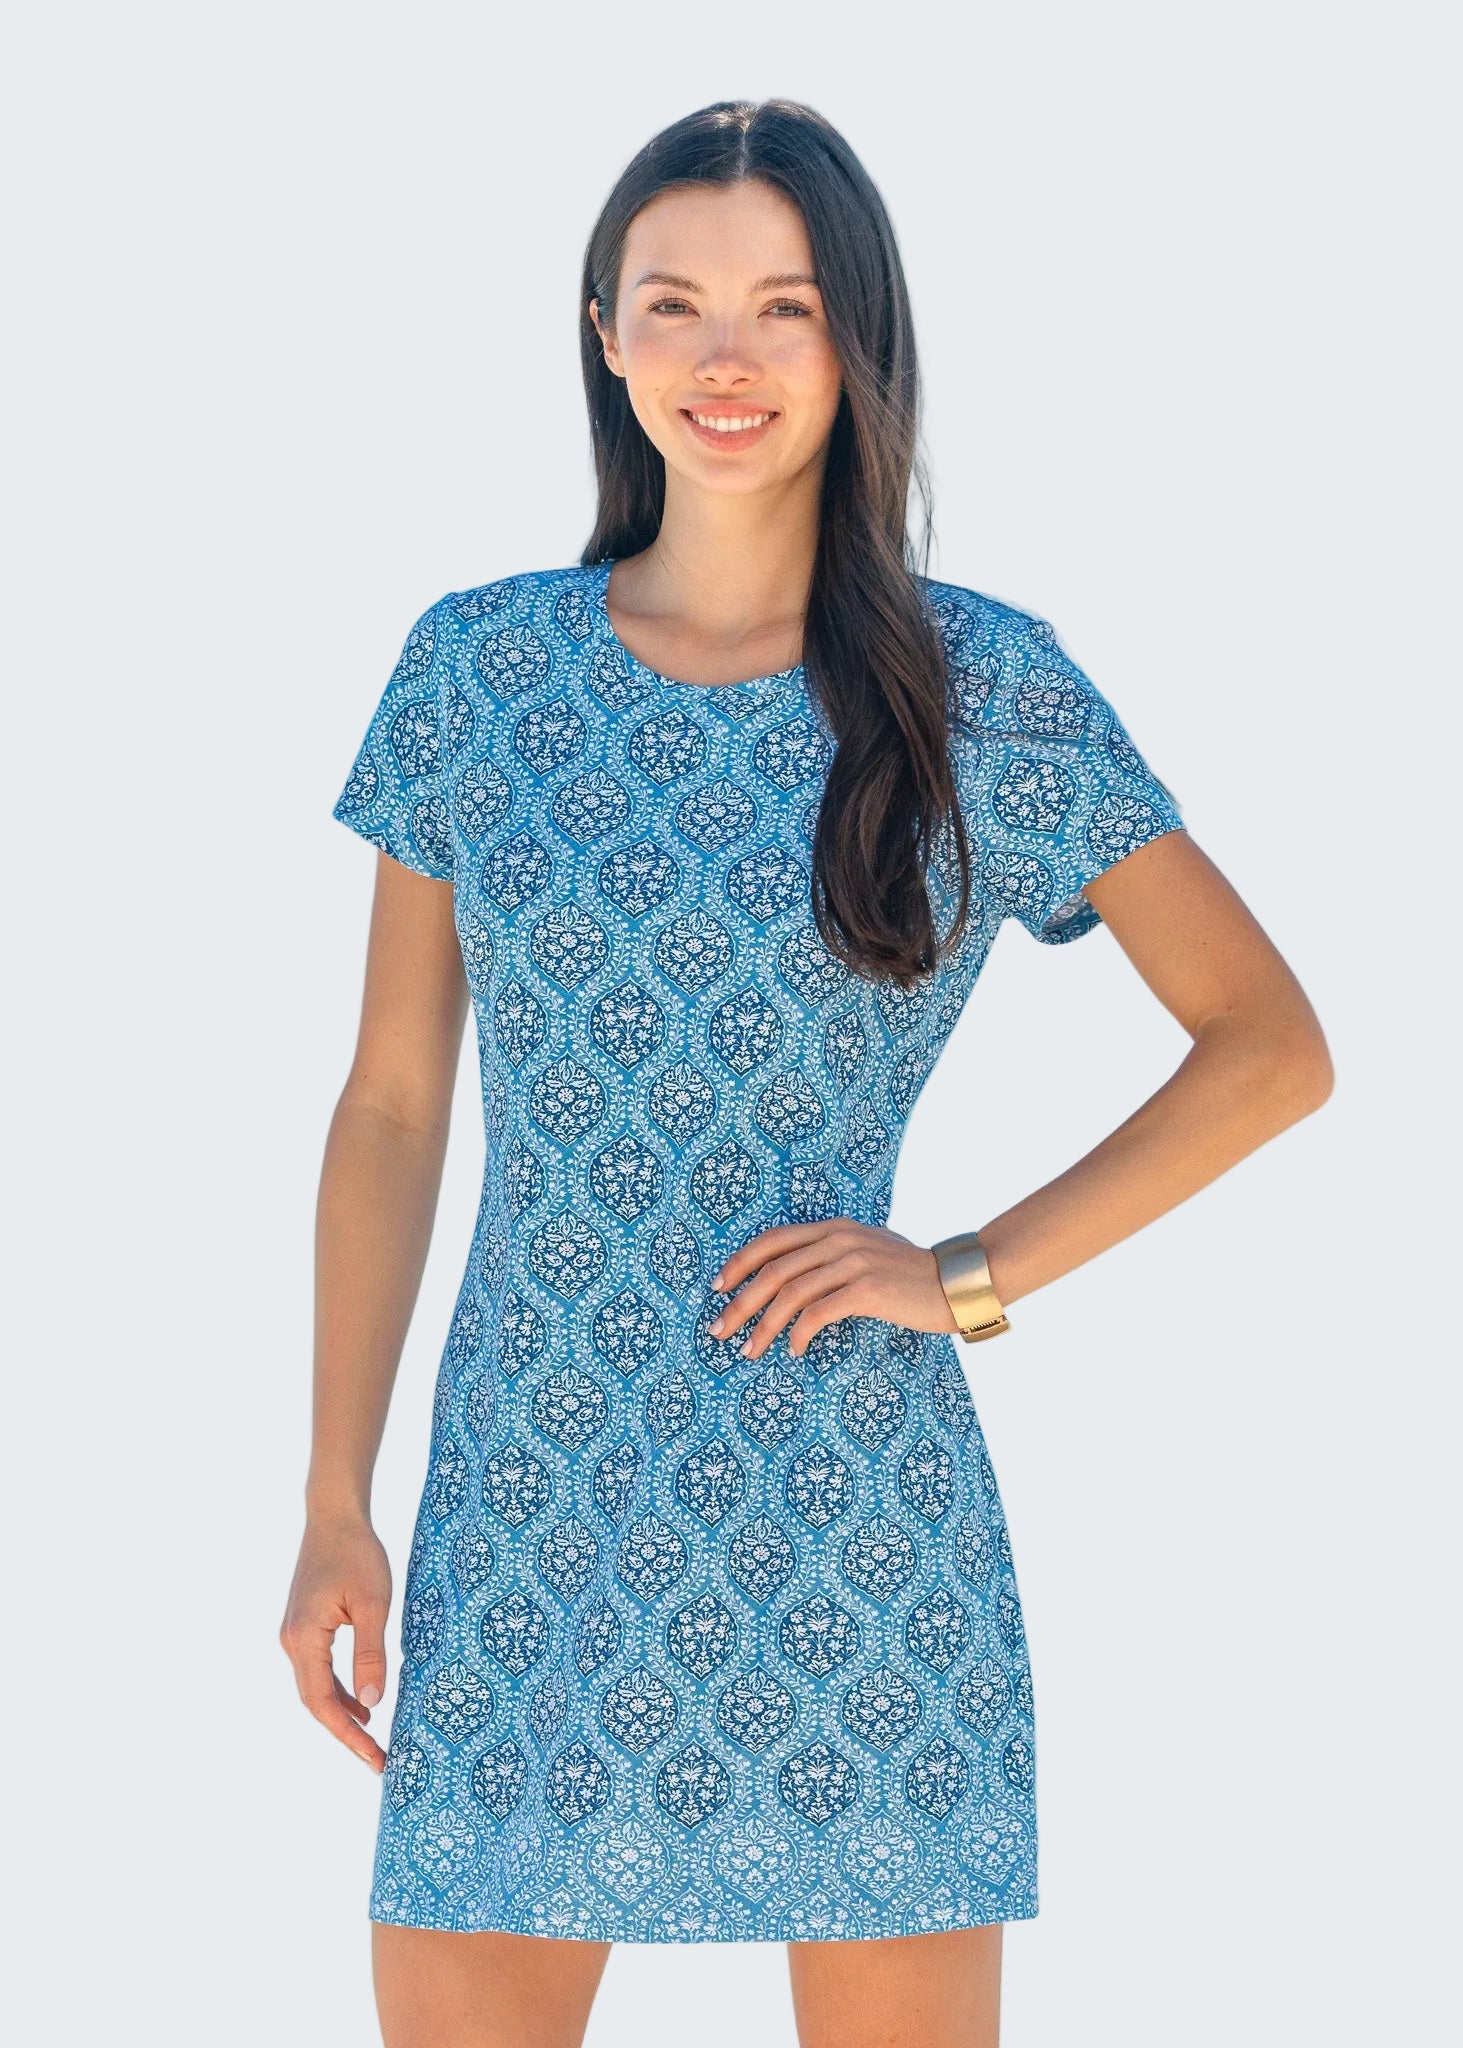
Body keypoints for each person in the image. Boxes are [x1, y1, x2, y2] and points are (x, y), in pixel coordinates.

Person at [280, 97, 1333, 2048]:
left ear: (859, 342)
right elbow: (394, 1106)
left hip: (853, 1533)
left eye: (785, 306)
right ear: (605, 335)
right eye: (675, 305)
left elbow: (1270, 1045)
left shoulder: (976, 685)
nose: (728, 356)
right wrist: (335, 1494)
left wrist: (965, 1275)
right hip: (532, 1508)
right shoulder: (478, 675)